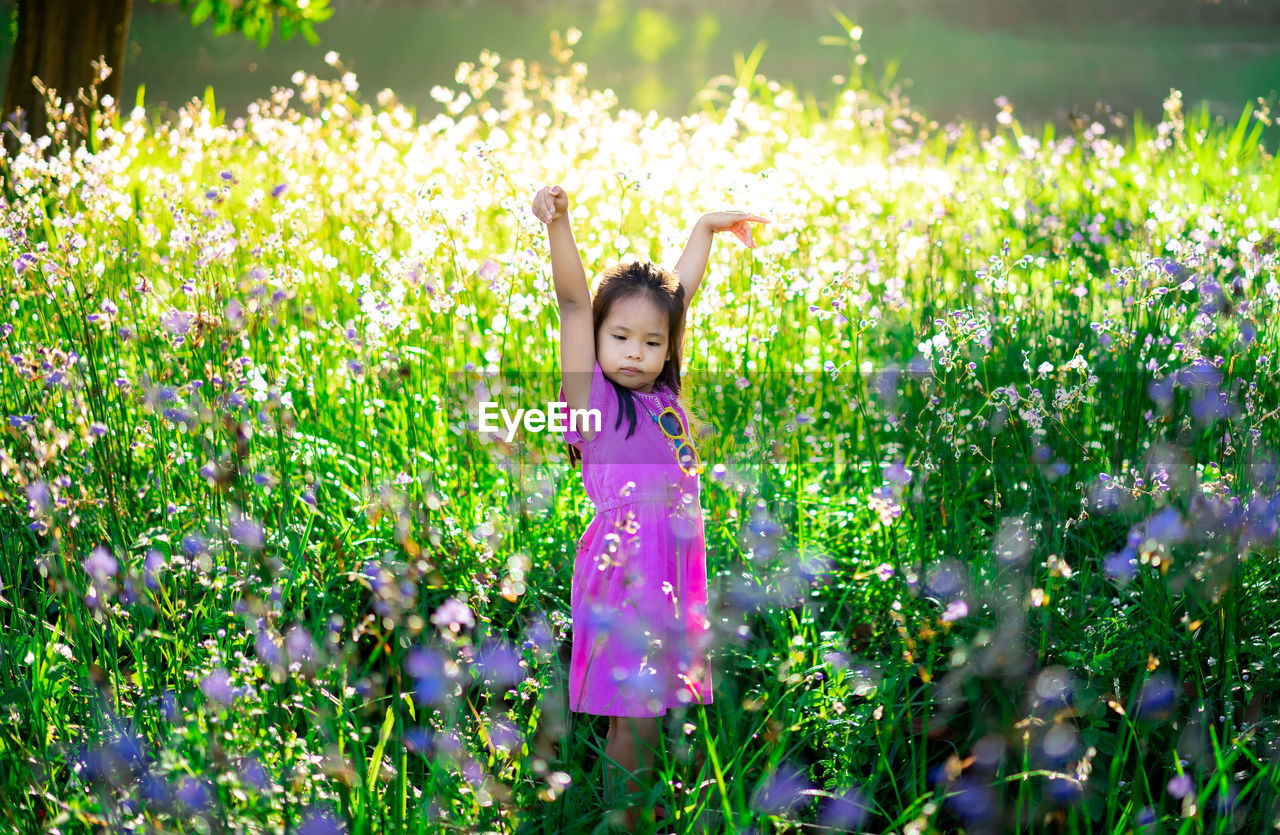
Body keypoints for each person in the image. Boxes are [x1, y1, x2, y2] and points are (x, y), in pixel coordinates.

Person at [531, 183, 766, 832]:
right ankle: (622, 818)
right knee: (633, 709)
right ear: (600, 341)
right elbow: (575, 304)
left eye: (651, 341)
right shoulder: (593, 402)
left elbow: (677, 298)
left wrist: (704, 231)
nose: (636, 350)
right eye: (621, 336)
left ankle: (630, 805)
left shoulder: (663, 393)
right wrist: (560, 225)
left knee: (647, 708)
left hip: (671, 567)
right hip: (627, 568)